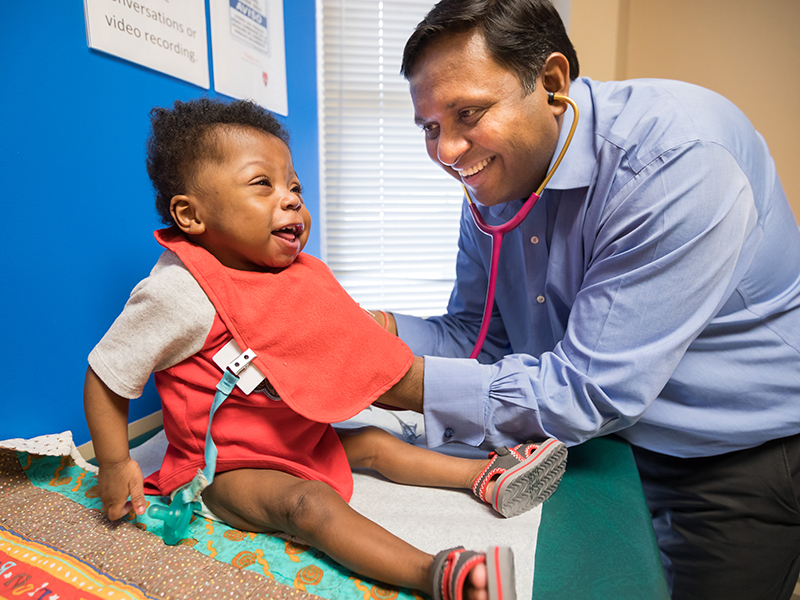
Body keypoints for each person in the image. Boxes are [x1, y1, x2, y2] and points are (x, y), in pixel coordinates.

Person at [373, 1, 800, 599]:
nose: (447, 151)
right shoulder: (495, 182)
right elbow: (481, 335)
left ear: (550, 83)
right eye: (430, 127)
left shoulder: (676, 161)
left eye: (468, 113)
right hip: (610, 441)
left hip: (733, 450)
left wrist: (396, 380)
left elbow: (588, 390)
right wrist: (374, 333)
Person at [83, 97, 568, 600]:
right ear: (192, 214)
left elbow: (337, 346)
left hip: (296, 435)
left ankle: (484, 474)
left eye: (294, 186)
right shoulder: (179, 292)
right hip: (225, 467)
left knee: (376, 443)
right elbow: (107, 374)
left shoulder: (290, 276)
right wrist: (117, 465)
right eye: (262, 184)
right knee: (307, 505)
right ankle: (441, 574)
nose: (292, 198)